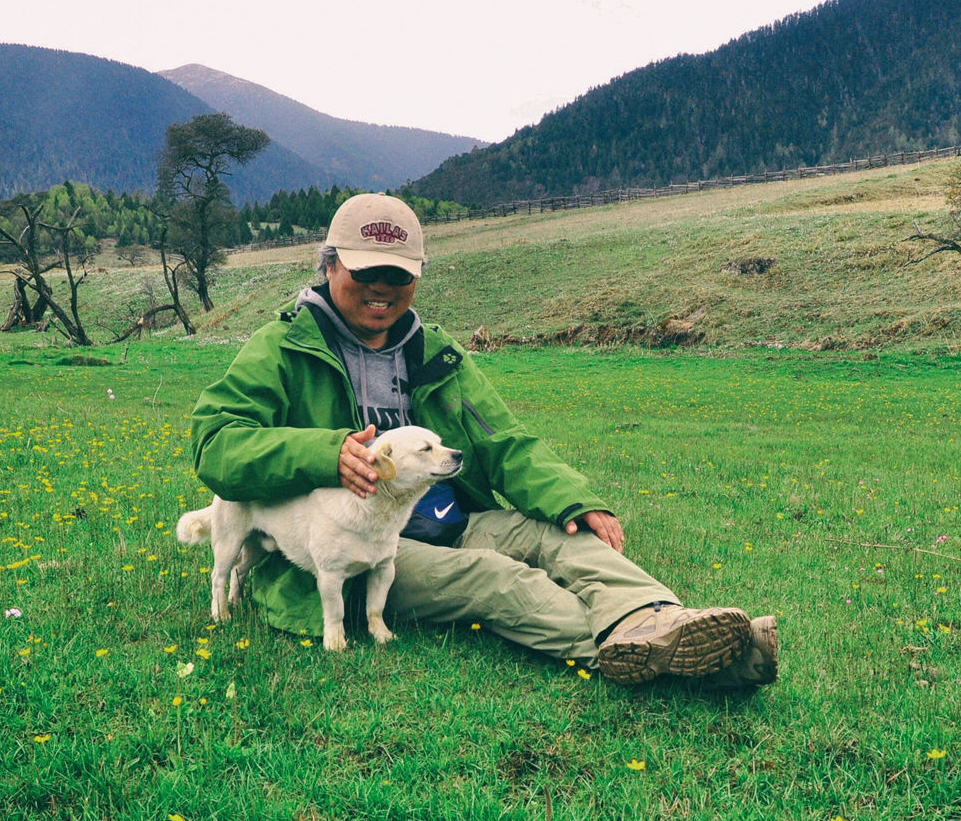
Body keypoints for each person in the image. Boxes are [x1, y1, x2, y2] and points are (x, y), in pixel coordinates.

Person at [187, 193, 777, 688]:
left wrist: (574, 499)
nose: (382, 289)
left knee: (558, 539)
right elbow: (216, 444)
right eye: (367, 272)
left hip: (446, 515)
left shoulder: (432, 350)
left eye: (399, 275)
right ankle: (671, 657)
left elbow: (504, 440)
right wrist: (325, 454)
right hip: (350, 544)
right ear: (331, 265)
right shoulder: (282, 347)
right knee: (494, 578)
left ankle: (666, 622)